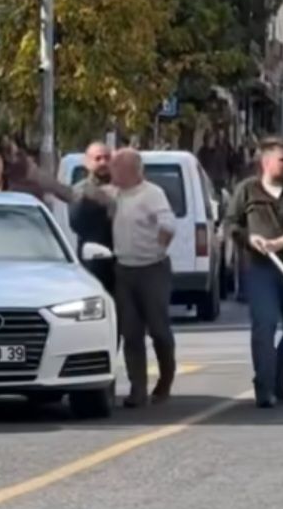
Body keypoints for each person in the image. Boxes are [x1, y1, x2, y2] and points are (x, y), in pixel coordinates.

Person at [226, 136, 283, 408]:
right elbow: (231, 223)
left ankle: (279, 376)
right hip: (261, 269)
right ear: (266, 162)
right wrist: (249, 238)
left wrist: (282, 242)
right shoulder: (247, 190)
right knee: (264, 325)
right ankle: (264, 386)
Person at [109, 148, 177, 408]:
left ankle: (166, 379)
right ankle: (137, 389)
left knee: (159, 330)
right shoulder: (114, 194)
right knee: (131, 332)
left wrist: (160, 244)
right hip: (124, 270)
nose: (113, 172)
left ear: (133, 171)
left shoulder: (152, 193)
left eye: (117, 168)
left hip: (152, 268)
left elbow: (168, 223)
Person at [69, 142, 115, 296]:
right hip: (95, 264)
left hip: (124, 265)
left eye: (107, 158)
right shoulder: (81, 191)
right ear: (87, 163)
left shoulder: (124, 187)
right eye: (98, 158)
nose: (103, 162)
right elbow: (76, 223)